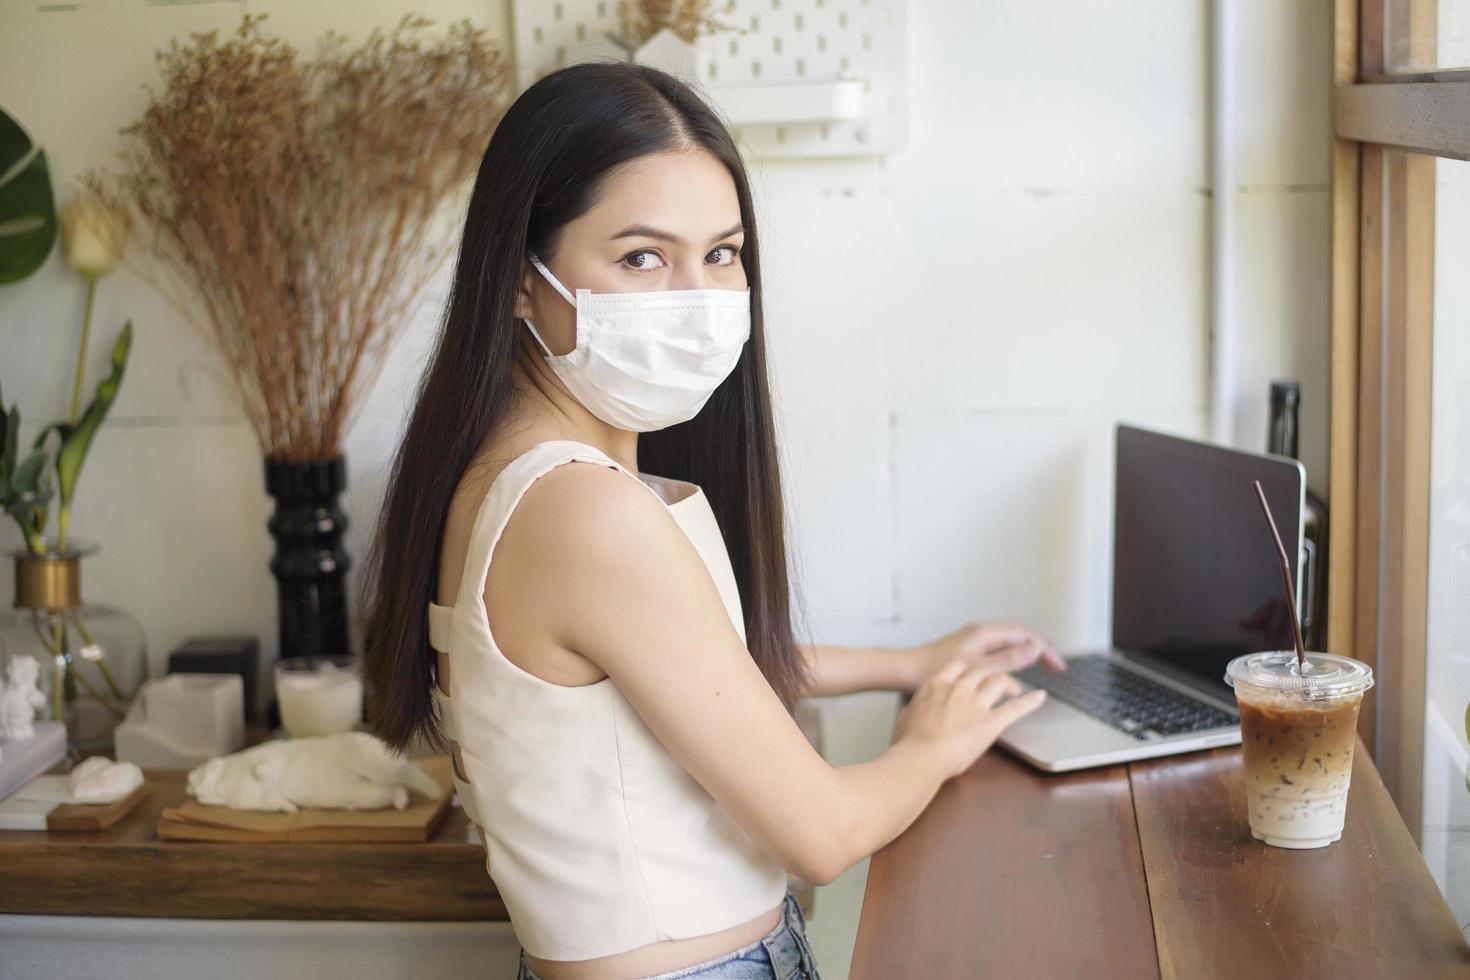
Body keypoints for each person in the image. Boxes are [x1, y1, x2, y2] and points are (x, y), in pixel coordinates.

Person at [359, 61, 1063, 980]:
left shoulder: (505, 473)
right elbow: (823, 833)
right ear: (521, 282)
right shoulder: (584, 512)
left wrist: (908, 663)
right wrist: (929, 743)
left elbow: (684, 668)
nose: (695, 299)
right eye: (643, 256)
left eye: (721, 254)